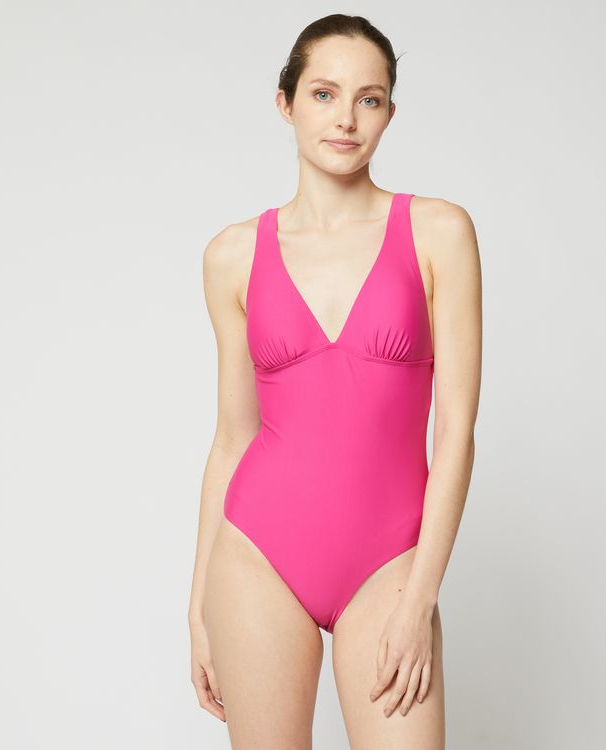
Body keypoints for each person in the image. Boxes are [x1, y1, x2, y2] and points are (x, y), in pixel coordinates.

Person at [188, 13, 481, 749]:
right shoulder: (231, 255)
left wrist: (420, 598)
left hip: (391, 562)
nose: (346, 118)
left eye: (368, 98)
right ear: (285, 103)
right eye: (323, 94)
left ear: (389, 113)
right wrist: (198, 608)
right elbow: (232, 439)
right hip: (256, 555)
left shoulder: (439, 232)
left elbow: (455, 434)